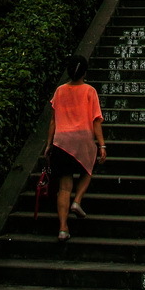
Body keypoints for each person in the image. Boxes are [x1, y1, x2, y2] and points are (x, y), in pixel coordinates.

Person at [43, 54, 106, 241]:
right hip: (82, 138)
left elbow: (53, 121)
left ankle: (63, 228)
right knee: (88, 168)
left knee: (63, 187)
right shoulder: (89, 91)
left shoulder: (60, 91)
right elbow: (96, 121)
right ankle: (77, 200)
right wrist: (101, 144)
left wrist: (48, 144)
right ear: (84, 71)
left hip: (62, 140)